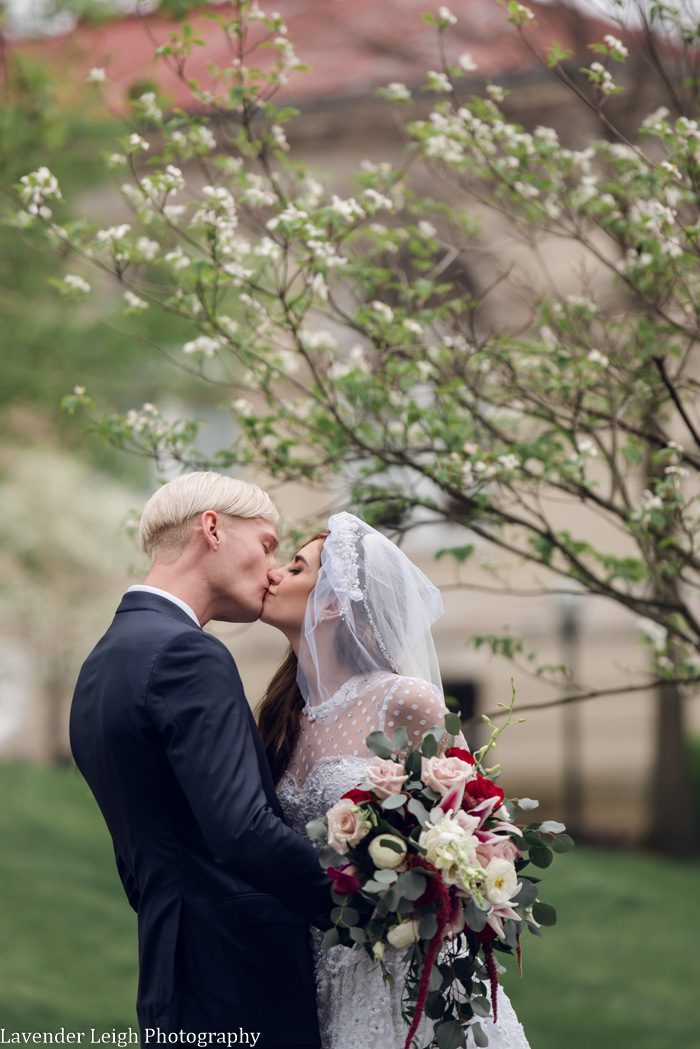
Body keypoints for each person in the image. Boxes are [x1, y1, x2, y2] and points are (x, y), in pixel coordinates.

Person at [69, 472, 332, 1049]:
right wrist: (356, 905)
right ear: (212, 528)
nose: (271, 570)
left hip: (170, 968)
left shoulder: (103, 663)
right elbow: (243, 831)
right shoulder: (187, 654)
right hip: (238, 978)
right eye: (266, 544)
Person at [258, 511, 530, 1049]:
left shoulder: (401, 699)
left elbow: (479, 825)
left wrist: (426, 875)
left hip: (407, 961)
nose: (272, 574)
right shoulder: (280, 715)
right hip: (318, 963)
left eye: (295, 568)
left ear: (333, 603)